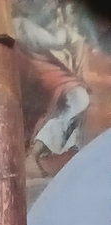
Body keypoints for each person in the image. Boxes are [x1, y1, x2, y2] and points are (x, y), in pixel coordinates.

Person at [13, 0, 89, 174]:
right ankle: (34, 154)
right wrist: (70, 34)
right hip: (35, 71)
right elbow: (55, 40)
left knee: (78, 102)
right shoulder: (21, 24)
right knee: (78, 98)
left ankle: (67, 154)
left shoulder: (47, 18)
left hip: (47, 67)